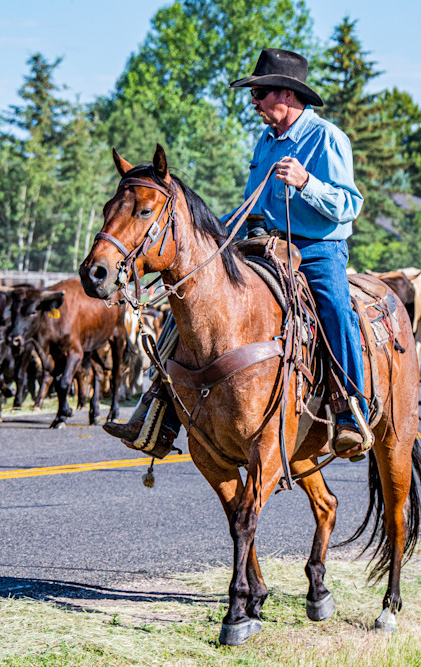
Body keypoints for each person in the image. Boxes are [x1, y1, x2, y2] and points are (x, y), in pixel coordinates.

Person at [105, 48, 371, 459]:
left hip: (317, 249)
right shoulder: (266, 142)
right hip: (263, 244)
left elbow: (349, 206)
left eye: (260, 92)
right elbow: (252, 203)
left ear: (287, 94)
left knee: (335, 307)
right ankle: (159, 411)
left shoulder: (327, 138)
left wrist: (306, 183)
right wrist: (207, 232)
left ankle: (351, 411)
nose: (254, 101)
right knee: (193, 300)